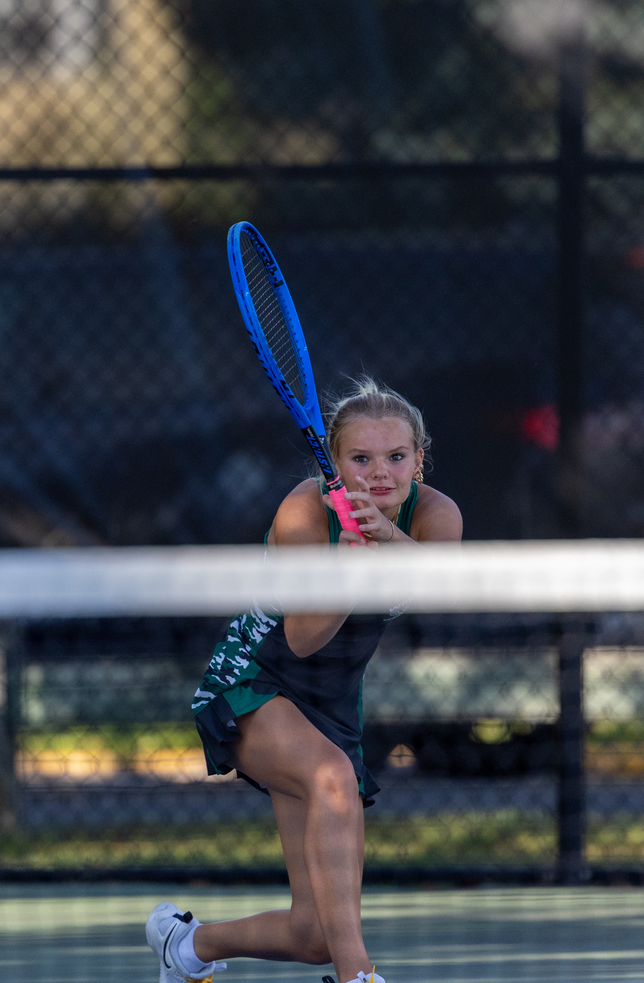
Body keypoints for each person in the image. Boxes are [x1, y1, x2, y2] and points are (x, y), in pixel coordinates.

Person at [146, 378, 463, 983]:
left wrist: (387, 538)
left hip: (332, 708)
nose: (380, 474)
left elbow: (443, 585)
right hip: (253, 681)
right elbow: (301, 639)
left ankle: (187, 946)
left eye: (396, 457)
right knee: (333, 777)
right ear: (335, 463)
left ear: (420, 459)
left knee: (315, 933)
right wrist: (345, 570)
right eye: (360, 459)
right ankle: (359, 978)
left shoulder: (437, 514)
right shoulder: (301, 511)